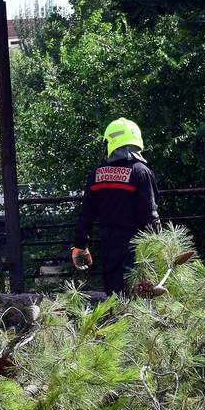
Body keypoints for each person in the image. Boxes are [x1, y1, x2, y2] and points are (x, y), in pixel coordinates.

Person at [71, 118, 162, 295]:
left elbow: (86, 217)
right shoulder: (141, 172)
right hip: (138, 249)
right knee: (140, 299)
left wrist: (79, 246)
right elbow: (151, 217)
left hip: (109, 247)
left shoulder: (97, 174)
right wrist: (160, 250)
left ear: (110, 143)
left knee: (115, 297)